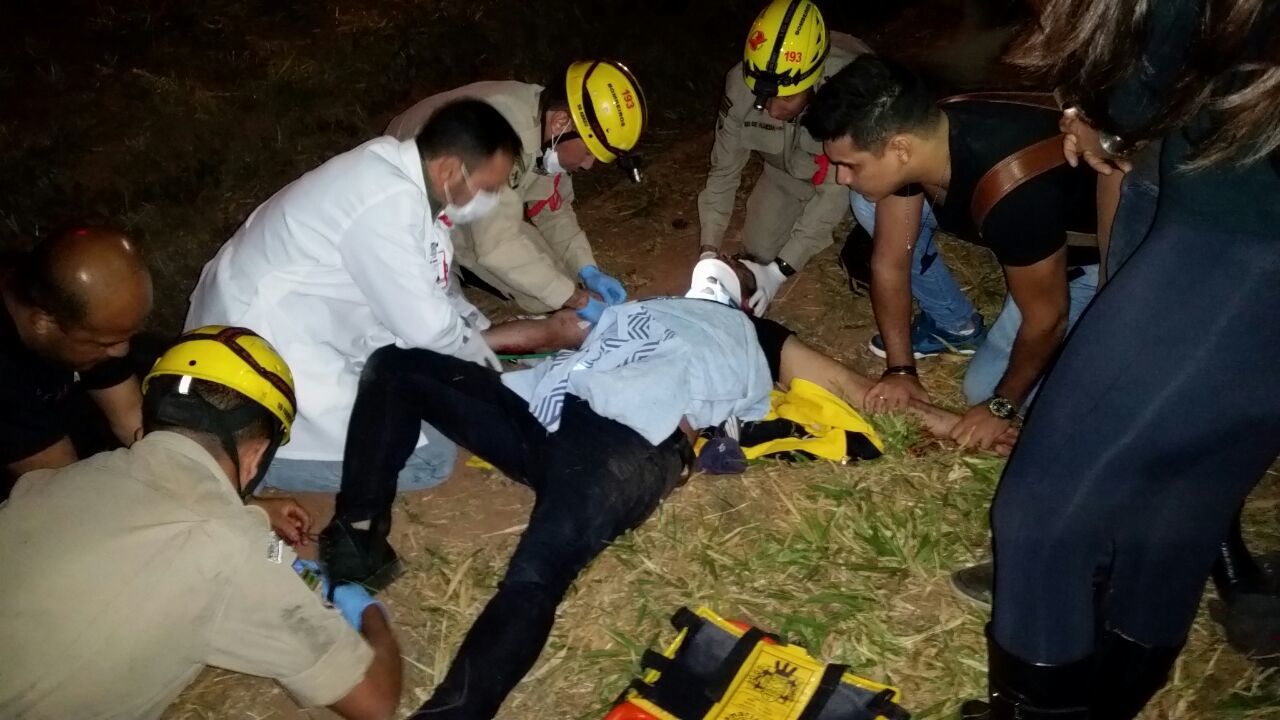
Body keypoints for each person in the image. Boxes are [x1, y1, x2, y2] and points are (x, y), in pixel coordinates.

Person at [313, 257, 1005, 719]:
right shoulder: (641, 310)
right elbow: (547, 333)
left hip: (632, 440)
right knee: (397, 366)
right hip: (551, 411)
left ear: (746, 297)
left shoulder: (756, 334)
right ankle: (359, 537)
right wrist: (477, 347)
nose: (714, 275)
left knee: (536, 574)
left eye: (730, 275)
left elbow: (855, 388)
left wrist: (949, 421)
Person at [956, 0, 1280, 716]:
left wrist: (1095, 115)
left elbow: (1144, 84)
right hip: (1244, 224)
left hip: (1239, 242)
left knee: (1040, 513)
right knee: (1187, 494)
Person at [0, 326, 403, 719]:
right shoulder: (232, 552)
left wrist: (256, 514)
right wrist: (368, 610)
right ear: (256, 455)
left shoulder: (53, 481)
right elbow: (376, 703)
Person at [186, 99, 521, 496]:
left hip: (302, 326)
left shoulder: (399, 179)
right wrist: (502, 341)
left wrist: (481, 335)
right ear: (450, 169)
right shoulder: (385, 201)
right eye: (487, 187)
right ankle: (249, 461)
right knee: (429, 457)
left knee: (431, 397)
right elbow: (428, 330)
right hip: (262, 345)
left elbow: (434, 286)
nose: (491, 198)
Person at [803, 55, 1104, 452]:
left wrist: (1001, 406)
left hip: (1087, 266)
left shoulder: (1011, 192)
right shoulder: (924, 137)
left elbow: (1048, 317)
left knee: (985, 387)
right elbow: (891, 263)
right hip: (1029, 235)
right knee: (868, 203)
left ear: (899, 148)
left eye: (849, 165)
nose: (841, 177)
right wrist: (901, 370)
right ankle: (955, 326)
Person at [386, 62, 644, 322]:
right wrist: (576, 299)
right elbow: (497, 246)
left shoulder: (549, 122)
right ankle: (458, 263)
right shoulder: (498, 137)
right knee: (538, 292)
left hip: (464, 189)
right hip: (411, 200)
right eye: (588, 152)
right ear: (561, 122)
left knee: (557, 280)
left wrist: (586, 269)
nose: (588, 165)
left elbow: (553, 209)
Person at [697, 0, 869, 314]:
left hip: (851, 173)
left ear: (813, 80)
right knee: (758, 251)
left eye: (787, 97)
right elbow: (723, 172)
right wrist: (708, 250)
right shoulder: (740, 87)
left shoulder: (848, 88)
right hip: (786, 174)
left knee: (866, 199)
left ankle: (866, 232)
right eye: (764, 97)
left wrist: (781, 270)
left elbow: (835, 189)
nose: (774, 110)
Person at [1, 227, 151, 485]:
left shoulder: (78, 304)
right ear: (42, 322)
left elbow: (130, 415)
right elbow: (65, 482)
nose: (122, 351)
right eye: (108, 342)